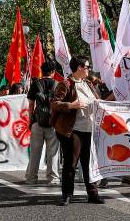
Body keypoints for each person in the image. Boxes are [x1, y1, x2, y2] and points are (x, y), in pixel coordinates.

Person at [52, 55, 104, 206]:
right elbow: (54, 104)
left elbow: (96, 100)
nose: (89, 70)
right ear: (80, 68)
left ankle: (93, 194)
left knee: (89, 163)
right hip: (73, 130)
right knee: (71, 163)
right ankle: (67, 194)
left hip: (89, 129)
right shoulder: (66, 84)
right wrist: (71, 105)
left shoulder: (88, 83)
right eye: (87, 67)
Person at [25, 62, 61, 186]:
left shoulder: (36, 84)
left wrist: (30, 120)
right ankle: (53, 179)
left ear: (42, 71)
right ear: (53, 72)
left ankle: (31, 178)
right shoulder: (57, 85)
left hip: (37, 121)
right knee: (53, 152)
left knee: (35, 151)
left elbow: (31, 104)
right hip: (53, 123)